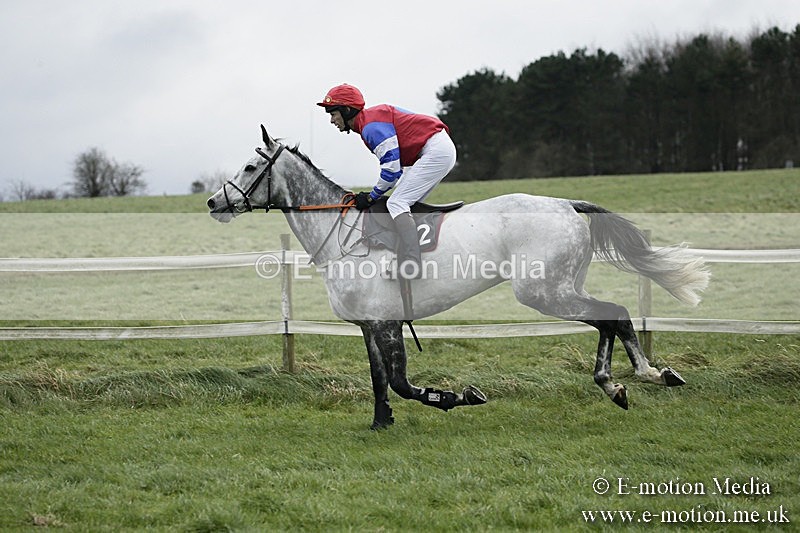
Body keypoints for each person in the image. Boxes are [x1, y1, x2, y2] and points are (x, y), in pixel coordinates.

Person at [317, 83, 457, 279]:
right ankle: (411, 253)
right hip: (432, 149)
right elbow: (395, 171)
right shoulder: (369, 121)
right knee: (402, 202)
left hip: (434, 151)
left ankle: (411, 265)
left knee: (396, 202)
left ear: (347, 110)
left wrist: (372, 196)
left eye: (333, 113)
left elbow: (391, 171)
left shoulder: (370, 128)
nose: (332, 120)